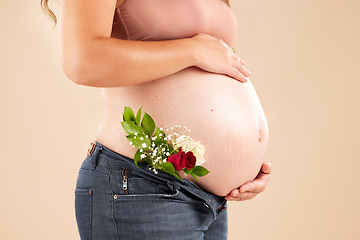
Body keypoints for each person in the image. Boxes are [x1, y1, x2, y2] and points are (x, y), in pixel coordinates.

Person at [41, 0, 272, 239]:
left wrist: (243, 165)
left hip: (210, 201)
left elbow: (214, 60)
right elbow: (82, 60)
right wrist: (195, 50)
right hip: (144, 184)